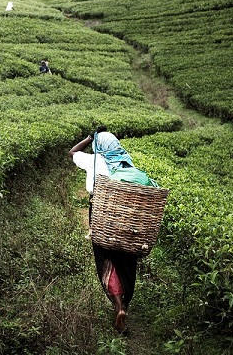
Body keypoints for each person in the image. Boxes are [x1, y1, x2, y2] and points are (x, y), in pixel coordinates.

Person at [69, 126, 141, 334]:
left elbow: (72, 153)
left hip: (102, 214)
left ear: (99, 145)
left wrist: (89, 138)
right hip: (127, 215)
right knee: (126, 259)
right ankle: (125, 304)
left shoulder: (93, 160)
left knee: (105, 258)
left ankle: (118, 305)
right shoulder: (127, 162)